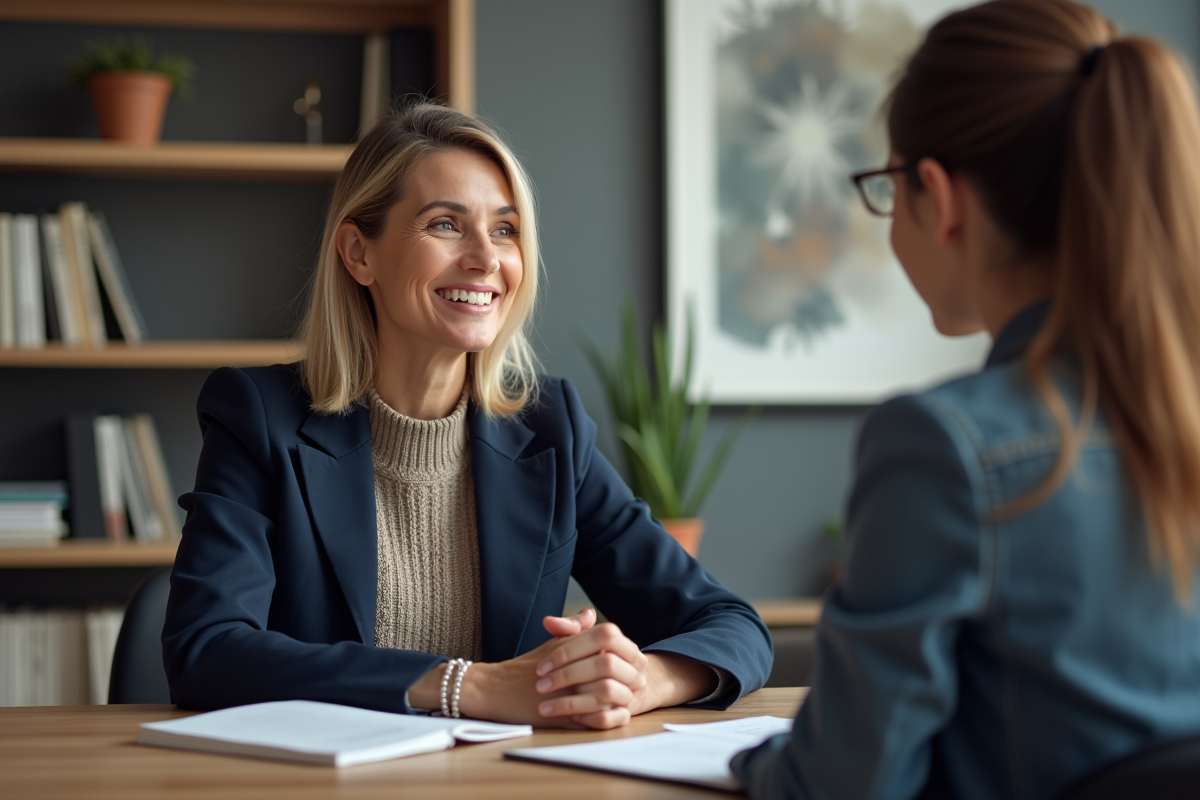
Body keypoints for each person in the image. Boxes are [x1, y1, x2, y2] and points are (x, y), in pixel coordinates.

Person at [163, 103, 772, 728]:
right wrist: (465, 687)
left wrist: (639, 680)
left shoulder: (550, 427)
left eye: (505, 230)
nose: (487, 259)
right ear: (358, 254)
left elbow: (733, 626)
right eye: (446, 225)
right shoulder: (259, 417)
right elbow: (205, 649)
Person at [731, 0, 1200, 797]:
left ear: (939, 198)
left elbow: (841, 787)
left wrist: (756, 763)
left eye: (886, 187)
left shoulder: (947, 447)